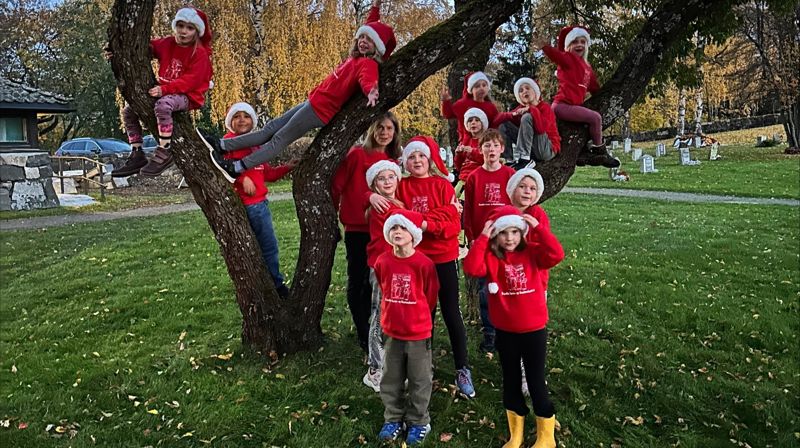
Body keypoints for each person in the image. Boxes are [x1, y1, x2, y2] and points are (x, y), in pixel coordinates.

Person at [197, 0, 396, 182]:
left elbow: (368, 80)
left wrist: (371, 92)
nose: (363, 41)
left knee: (278, 139)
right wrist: (376, 7)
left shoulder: (367, 64)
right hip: (314, 102)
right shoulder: (356, 57)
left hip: (320, 110)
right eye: (361, 36)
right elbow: (372, 23)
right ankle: (222, 146)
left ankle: (238, 167)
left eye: (369, 40)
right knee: (270, 128)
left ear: (376, 48)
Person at [371, 136, 475, 398]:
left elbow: (454, 225)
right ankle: (421, 365)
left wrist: (423, 224)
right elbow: (395, 215)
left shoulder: (442, 185)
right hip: (414, 259)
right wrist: (438, 217)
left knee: (451, 313)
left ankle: (462, 367)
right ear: (405, 161)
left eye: (421, 156)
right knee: (421, 315)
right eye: (411, 157)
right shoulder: (401, 186)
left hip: (444, 257)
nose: (417, 160)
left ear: (429, 159)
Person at [463, 205, 565, 448]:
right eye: (503, 233)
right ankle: (516, 434)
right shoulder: (491, 256)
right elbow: (471, 267)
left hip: (534, 331)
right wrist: (483, 237)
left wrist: (538, 230)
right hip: (506, 332)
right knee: (510, 380)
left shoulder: (533, 252)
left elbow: (556, 254)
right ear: (496, 235)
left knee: (536, 380)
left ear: (522, 233)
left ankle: (546, 436)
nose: (509, 238)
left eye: (514, 232)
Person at [110, 7, 213, 178]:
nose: (184, 31)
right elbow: (145, 48)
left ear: (197, 31)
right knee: (128, 111)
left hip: (187, 96)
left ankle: (165, 150)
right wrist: (116, 52)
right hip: (166, 92)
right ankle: (137, 152)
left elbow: (191, 81)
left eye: (189, 28)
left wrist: (165, 89)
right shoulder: (168, 43)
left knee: (163, 106)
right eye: (180, 26)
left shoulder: (199, 53)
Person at [331, 113, 401, 355]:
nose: (384, 132)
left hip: (385, 230)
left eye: (389, 128)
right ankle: (364, 332)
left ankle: (381, 328)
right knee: (358, 280)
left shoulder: (393, 159)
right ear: (372, 130)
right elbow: (337, 185)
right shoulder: (357, 154)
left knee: (379, 283)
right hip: (358, 228)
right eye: (380, 127)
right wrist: (332, 216)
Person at [374, 209, 439, 446]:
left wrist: (418, 318)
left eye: (402, 228)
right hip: (392, 331)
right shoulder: (383, 261)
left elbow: (430, 295)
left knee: (419, 379)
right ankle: (393, 418)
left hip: (418, 332)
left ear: (413, 234)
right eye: (393, 228)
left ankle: (419, 421)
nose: (398, 232)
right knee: (391, 377)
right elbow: (383, 286)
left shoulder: (424, 264)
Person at [221, 102, 296, 298]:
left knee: (266, 246)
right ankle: (276, 284)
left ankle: (269, 281)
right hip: (248, 204)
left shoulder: (256, 146)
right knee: (267, 246)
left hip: (260, 204)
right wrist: (241, 177)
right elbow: (221, 167)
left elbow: (268, 173)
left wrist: (288, 167)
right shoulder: (228, 143)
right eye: (236, 116)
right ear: (230, 122)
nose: (242, 120)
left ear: (253, 121)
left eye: (246, 116)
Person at [532, 26, 618, 168]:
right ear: (568, 46)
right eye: (575, 42)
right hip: (562, 106)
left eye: (583, 42)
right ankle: (600, 151)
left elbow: (595, 87)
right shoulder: (568, 59)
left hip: (574, 107)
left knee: (585, 124)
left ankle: (582, 153)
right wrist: (545, 47)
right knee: (595, 118)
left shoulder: (587, 68)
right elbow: (557, 55)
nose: (579, 45)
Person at [462, 129, 515, 352]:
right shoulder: (474, 177)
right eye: (486, 145)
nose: (490, 149)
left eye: (495, 145)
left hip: (506, 240)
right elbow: (470, 211)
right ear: (480, 149)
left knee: (507, 285)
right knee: (486, 290)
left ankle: (509, 330)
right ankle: (490, 334)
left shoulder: (509, 175)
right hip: (483, 240)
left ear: (501, 149)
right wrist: (473, 238)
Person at [505, 167, 551, 397]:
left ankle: (531, 373)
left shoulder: (538, 215)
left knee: (533, 330)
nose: (527, 192)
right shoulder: (503, 214)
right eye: (522, 186)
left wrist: (535, 227)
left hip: (534, 283)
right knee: (513, 330)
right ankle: (515, 370)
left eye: (532, 188)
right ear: (513, 189)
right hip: (508, 284)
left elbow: (546, 249)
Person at [362, 159, 404, 392]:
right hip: (382, 267)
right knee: (380, 314)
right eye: (381, 178)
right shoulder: (381, 206)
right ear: (374, 184)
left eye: (391, 177)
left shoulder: (398, 200)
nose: (387, 182)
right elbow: (405, 223)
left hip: (398, 266)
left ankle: (392, 365)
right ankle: (375, 369)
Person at [493, 78, 560, 170]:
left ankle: (524, 159)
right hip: (532, 150)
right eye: (521, 91)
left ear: (535, 91)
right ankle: (508, 160)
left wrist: (531, 109)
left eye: (527, 88)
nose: (525, 91)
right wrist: (512, 114)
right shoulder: (521, 109)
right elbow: (497, 120)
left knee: (527, 117)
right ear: (519, 97)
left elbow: (541, 129)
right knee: (504, 125)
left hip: (547, 149)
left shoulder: (545, 107)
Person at [440, 71, 499, 144]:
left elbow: (496, 124)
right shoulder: (462, 104)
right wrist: (446, 102)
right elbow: (448, 114)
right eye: (477, 86)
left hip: (485, 141)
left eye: (484, 85)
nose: (481, 88)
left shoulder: (491, 106)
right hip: (467, 141)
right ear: (471, 89)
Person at [453, 108, 488, 184]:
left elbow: (487, 160)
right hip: (463, 179)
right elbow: (458, 167)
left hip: (478, 179)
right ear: (467, 125)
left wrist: (472, 152)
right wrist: (458, 155)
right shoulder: (465, 142)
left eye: (477, 120)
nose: (473, 123)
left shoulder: (487, 141)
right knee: (451, 195)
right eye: (470, 120)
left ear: (483, 123)